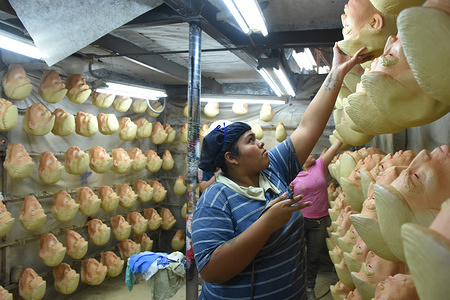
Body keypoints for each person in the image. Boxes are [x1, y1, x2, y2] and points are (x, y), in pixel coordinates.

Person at [192, 43, 372, 299]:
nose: (261, 142)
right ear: (232, 158)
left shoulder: (273, 169)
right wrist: (265, 224)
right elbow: (210, 270)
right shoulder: (214, 200)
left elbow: (308, 127)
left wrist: (337, 73)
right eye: (250, 141)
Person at [288, 138, 343, 300]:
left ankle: (310, 286)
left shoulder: (319, 165)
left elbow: (335, 146)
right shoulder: (293, 175)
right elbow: (287, 196)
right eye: (308, 152)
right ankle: (295, 286)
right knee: (296, 255)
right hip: (299, 220)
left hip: (319, 221)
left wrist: (344, 129)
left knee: (314, 256)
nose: (312, 153)